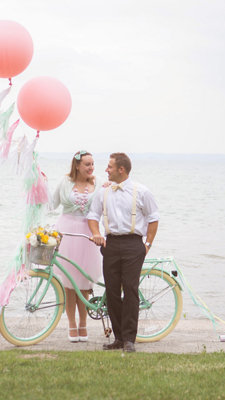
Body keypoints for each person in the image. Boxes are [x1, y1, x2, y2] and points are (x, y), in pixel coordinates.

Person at [87, 152, 159, 353]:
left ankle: (129, 339)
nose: (106, 170)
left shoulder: (142, 191)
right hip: (110, 244)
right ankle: (118, 338)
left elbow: (154, 218)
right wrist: (96, 233)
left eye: (109, 167)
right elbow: (92, 216)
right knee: (111, 291)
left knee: (130, 290)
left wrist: (148, 244)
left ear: (121, 169)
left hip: (133, 244)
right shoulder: (102, 193)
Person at [52, 150, 103, 342]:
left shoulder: (97, 184)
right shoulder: (65, 182)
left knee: (84, 282)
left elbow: (103, 206)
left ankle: (84, 323)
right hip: (67, 231)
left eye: (92, 164)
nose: (91, 168)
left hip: (88, 232)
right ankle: (71, 324)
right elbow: (52, 203)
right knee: (68, 282)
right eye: (87, 164)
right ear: (77, 166)